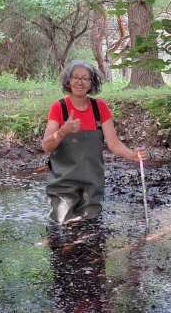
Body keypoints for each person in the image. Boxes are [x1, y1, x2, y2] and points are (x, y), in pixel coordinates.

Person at [41, 60, 146, 223]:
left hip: (92, 186)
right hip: (62, 186)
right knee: (61, 227)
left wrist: (132, 154)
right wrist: (63, 131)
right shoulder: (59, 107)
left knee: (93, 228)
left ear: (92, 83)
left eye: (85, 78)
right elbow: (46, 146)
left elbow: (114, 144)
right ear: (68, 80)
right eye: (76, 77)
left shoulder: (100, 108)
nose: (80, 82)